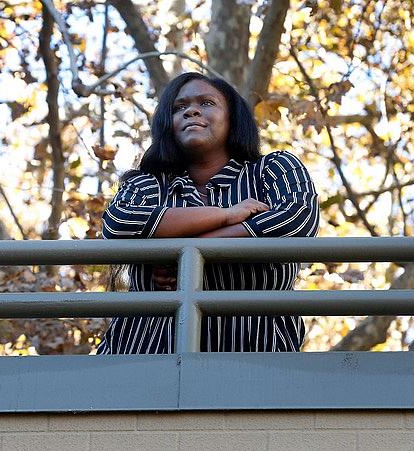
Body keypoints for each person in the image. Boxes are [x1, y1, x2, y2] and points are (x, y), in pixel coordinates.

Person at [96, 72, 319, 354]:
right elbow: (118, 224)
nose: (191, 110)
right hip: (145, 355)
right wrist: (226, 215)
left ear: (233, 118)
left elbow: (297, 218)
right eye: (179, 107)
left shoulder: (272, 169)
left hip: (257, 353)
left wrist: (182, 256)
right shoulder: (147, 182)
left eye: (207, 103)